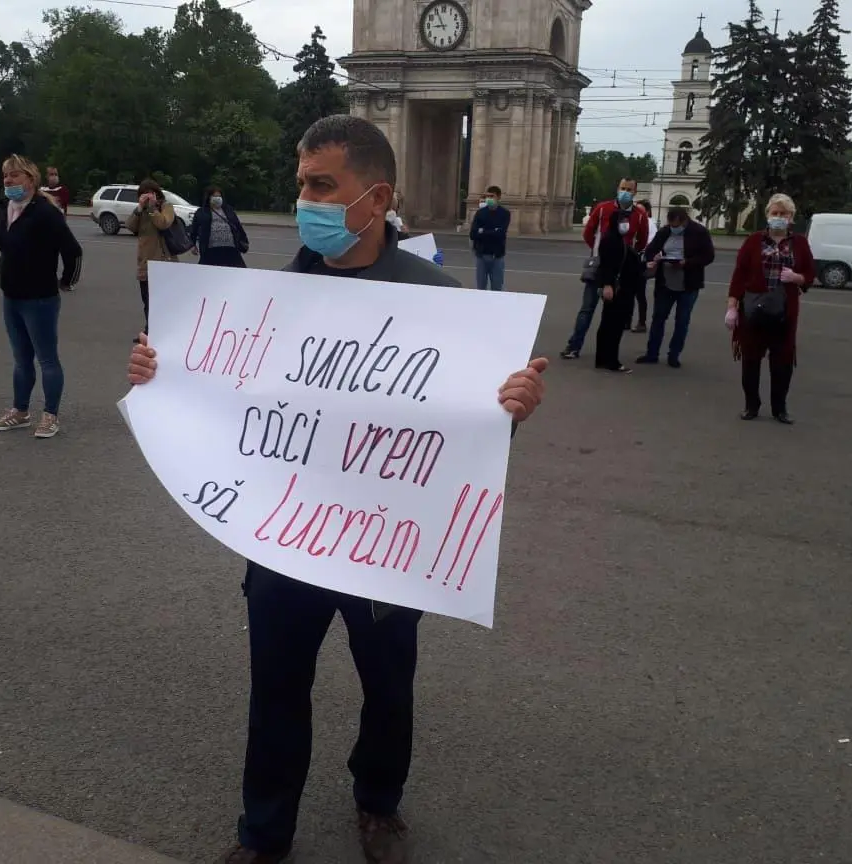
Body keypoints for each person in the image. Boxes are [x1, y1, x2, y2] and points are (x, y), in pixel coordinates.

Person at [127, 114, 548, 864]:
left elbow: (466, 440)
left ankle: (378, 801)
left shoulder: (439, 300)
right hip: (282, 539)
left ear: (376, 197)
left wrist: (509, 407)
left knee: (388, 687)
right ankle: (264, 833)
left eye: (322, 186)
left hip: (386, 547)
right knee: (276, 688)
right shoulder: (267, 299)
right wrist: (162, 378)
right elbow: (225, 405)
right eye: (301, 185)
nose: (305, 202)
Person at [0, 154, 83, 439]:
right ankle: (20, 412)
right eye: (5, 175)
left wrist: (66, 281)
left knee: (47, 359)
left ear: (31, 179)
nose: (8, 180)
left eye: (15, 175)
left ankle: (50, 415)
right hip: (12, 296)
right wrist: (3, 268)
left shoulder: (45, 212)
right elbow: (8, 248)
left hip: (40, 299)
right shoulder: (2, 208)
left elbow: (73, 251)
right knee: (21, 359)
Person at [725, 193, 816, 424]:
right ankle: (751, 405)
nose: (778, 217)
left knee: (782, 362)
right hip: (753, 310)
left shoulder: (799, 243)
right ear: (767, 215)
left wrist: (796, 277)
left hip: (785, 312)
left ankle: (779, 408)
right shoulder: (753, 241)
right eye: (775, 213)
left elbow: (810, 274)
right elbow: (739, 275)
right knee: (750, 359)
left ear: (791, 217)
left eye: (783, 213)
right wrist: (732, 307)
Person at [560, 178, 649, 359]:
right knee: (587, 309)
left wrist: (628, 256)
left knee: (613, 314)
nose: (625, 192)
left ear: (635, 193)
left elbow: (642, 241)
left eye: (629, 189)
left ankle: (607, 352)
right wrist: (599, 251)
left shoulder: (639, 215)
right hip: (599, 266)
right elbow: (588, 233)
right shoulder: (603, 209)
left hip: (622, 270)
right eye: (622, 188)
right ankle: (574, 346)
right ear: (617, 189)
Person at [635, 207, 715, 367]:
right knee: (658, 318)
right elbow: (650, 250)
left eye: (676, 226)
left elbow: (708, 256)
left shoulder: (699, 232)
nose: (673, 228)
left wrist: (688, 262)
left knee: (682, 321)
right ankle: (652, 353)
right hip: (665, 282)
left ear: (684, 222)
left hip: (689, 284)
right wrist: (654, 258)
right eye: (671, 225)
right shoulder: (665, 232)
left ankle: (674, 355)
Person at [593, 203, 647, 373]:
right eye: (623, 221)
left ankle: (603, 359)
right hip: (617, 289)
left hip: (620, 287)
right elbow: (607, 265)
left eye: (627, 221)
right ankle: (611, 361)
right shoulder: (610, 240)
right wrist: (607, 284)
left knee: (609, 323)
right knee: (614, 325)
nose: (626, 224)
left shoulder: (617, 239)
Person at [127, 179, 179, 342]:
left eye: (150, 193)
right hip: (145, 261)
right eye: (144, 194)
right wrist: (139, 208)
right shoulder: (141, 211)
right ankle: (150, 331)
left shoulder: (166, 207)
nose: (147, 196)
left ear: (157, 193)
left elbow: (164, 223)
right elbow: (130, 226)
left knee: (163, 300)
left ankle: (167, 331)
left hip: (163, 261)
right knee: (147, 301)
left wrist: (152, 208)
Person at [188, 187, 249, 268]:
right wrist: (192, 245)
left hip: (231, 249)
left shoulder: (228, 210)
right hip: (210, 250)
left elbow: (238, 226)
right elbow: (194, 230)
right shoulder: (201, 212)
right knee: (207, 271)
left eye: (219, 196)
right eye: (214, 196)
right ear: (209, 197)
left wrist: (244, 241)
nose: (217, 198)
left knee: (238, 271)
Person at [470, 185, 510, 290]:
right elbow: (473, 234)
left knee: (496, 288)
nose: (489, 199)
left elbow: (501, 234)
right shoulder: (480, 213)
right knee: (480, 288)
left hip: (497, 256)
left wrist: (482, 231)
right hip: (481, 256)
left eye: (492, 196)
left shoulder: (504, 213)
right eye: (487, 196)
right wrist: (493, 231)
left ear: (498, 197)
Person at [628, 200, 657, 332]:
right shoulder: (633, 220)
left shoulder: (650, 224)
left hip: (641, 261)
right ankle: (627, 320)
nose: (637, 211)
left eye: (640, 209)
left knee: (639, 293)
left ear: (647, 212)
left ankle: (642, 322)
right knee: (628, 292)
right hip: (630, 260)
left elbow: (650, 243)